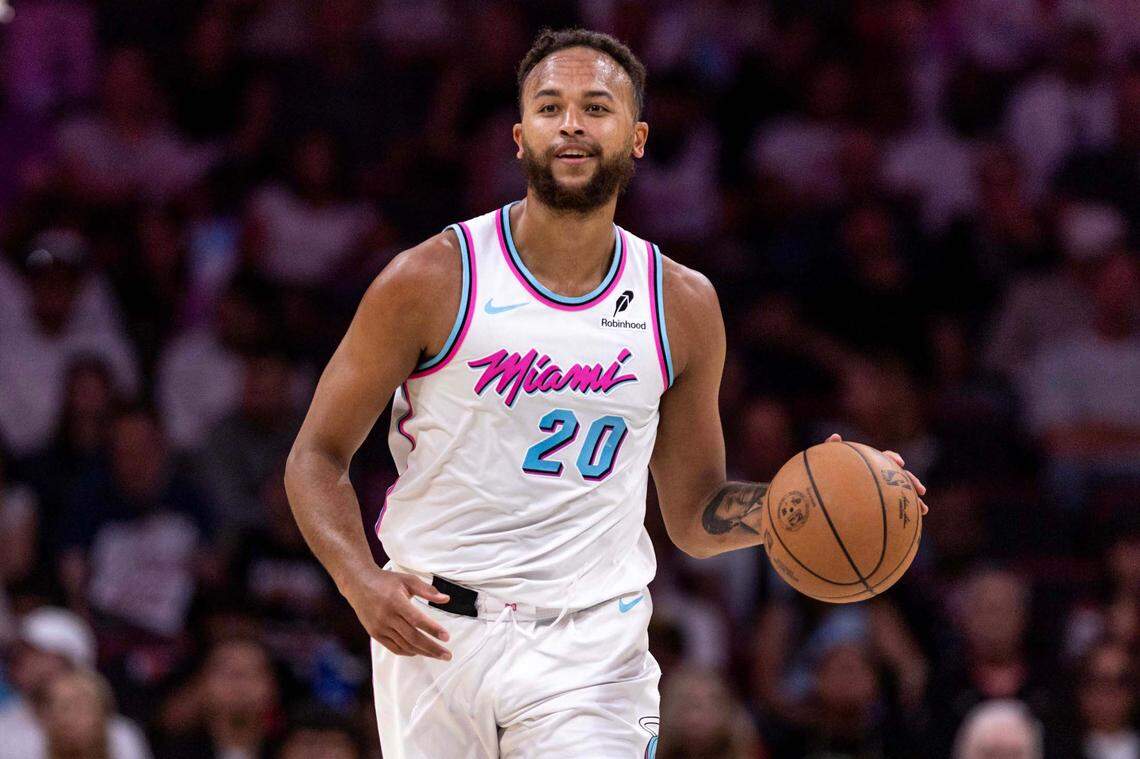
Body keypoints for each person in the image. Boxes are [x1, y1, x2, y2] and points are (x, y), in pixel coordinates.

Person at [285, 27, 928, 758]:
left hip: (591, 644)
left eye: (597, 106)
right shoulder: (432, 278)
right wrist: (360, 584)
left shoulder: (681, 302)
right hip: (433, 630)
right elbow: (316, 456)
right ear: (520, 137)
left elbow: (690, 512)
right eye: (551, 106)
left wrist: (798, 501)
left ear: (639, 136)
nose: (572, 123)